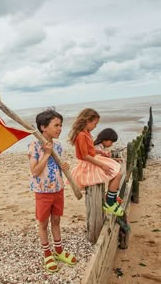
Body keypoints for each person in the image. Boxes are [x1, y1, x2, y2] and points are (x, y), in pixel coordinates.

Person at [28, 109, 77, 273]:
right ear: (43, 127)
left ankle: (59, 251)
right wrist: (47, 154)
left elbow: (57, 168)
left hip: (58, 189)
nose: (60, 128)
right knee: (42, 223)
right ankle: (47, 254)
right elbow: (35, 171)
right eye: (56, 125)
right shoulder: (34, 145)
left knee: (56, 221)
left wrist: (64, 166)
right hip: (42, 192)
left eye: (61, 125)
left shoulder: (58, 146)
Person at [68, 108, 124, 217]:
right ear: (87, 121)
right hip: (87, 164)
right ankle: (110, 202)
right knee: (116, 174)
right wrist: (103, 165)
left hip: (93, 159)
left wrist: (101, 152)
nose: (95, 126)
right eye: (95, 124)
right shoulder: (81, 135)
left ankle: (111, 198)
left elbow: (91, 150)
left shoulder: (87, 133)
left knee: (117, 173)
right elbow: (85, 155)